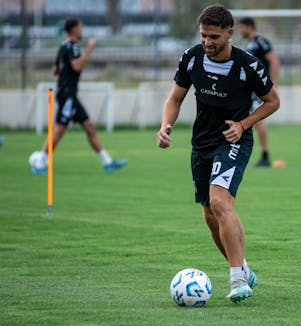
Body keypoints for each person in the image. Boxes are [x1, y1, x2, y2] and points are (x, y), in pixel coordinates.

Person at [156, 5, 280, 303]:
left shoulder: (248, 65)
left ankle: (237, 279)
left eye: (214, 37)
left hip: (233, 140)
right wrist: (165, 126)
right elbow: (175, 98)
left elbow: (273, 101)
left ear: (229, 34)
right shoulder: (192, 57)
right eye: (203, 36)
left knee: (220, 201)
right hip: (201, 143)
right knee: (210, 214)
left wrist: (243, 124)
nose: (207, 42)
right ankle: (243, 268)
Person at [32, 18, 127, 175]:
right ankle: (40, 162)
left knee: (89, 127)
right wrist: (89, 50)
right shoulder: (73, 48)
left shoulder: (63, 46)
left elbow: (55, 70)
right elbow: (76, 66)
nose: (82, 30)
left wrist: (65, 75)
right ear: (74, 29)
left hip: (68, 94)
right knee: (59, 131)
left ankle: (107, 162)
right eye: (80, 27)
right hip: (68, 95)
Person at [238, 17, 280, 167]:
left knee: (258, 118)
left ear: (250, 27)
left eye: (242, 27)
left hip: (261, 87)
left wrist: (273, 84)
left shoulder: (260, 41)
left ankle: (265, 155)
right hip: (251, 88)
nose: (240, 30)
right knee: (253, 119)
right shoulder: (250, 44)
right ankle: (260, 154)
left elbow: (274, 60)